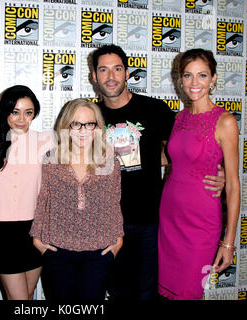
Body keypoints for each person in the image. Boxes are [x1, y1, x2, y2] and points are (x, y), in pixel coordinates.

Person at [90, 44, 225, 301]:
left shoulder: (155, 110)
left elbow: (186, 149)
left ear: (127, 73)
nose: (111, 76)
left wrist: (220, 173)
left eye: (117, 69)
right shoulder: (90, 115)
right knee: (117, 293)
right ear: (94, 76)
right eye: (103, 70)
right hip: (106, 222)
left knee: (148, 295)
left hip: (150, 221)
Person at [158, 49, 240, 300]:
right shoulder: (178, 118)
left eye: (202, 75)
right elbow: (173, 159)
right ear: (180, 80)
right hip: (169, 216)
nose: (195, 83)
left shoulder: (225, 121)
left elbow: (234, 185)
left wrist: (228, 242)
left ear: (213, 78)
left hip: (201, 223)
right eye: (188, 75)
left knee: (188, 292)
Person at [30, 98, 124, 301]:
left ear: (97, 128)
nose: (83, 130)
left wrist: (118, 239)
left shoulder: (109, 162)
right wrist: (37, 238)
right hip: (57, 250)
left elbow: (114, 202)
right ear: (66, 126)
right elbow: (43, 199)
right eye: (76, 124)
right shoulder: (52, 159)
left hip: (98, 251)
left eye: (89, 124)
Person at [0, 85, 52, 300]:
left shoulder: (45, 140)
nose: (21, 119)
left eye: (28, 113)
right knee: (19, 299)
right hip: (1, 230)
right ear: (6, 111)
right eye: (15, 112)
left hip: (36, 227)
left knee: (26, 297)